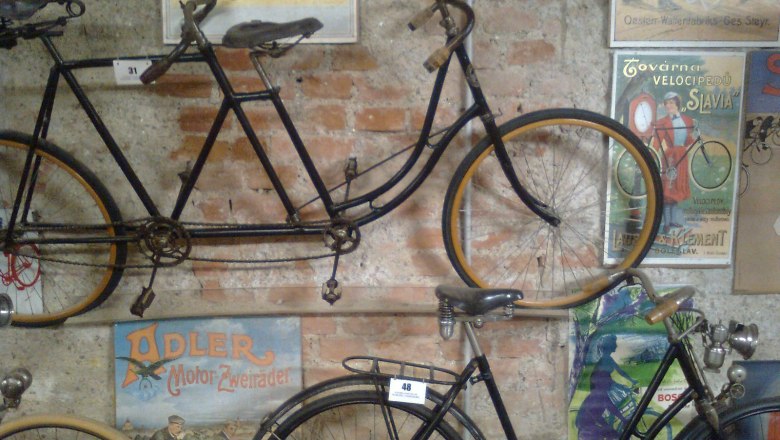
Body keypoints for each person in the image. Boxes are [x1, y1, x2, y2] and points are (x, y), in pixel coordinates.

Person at [575, 335, 638, 439]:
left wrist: (629, 382)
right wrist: (623, 419)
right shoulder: (599, 396)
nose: (616, 345)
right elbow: (610, 406)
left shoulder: (605, 362)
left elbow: (616, 375)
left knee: (612, 432)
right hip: (587, 429)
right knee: (613, 434)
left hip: (590, 423)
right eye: (614, 343)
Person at [653, 91, 693, 234]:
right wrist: (651, 154)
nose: (669, 106)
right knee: (668, 189)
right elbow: (657, 143)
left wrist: (692, 142)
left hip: (682, 157)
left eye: (671, 102)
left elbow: (688, 139)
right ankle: (666, 223)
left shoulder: (688, 120)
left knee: (677, 189)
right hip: (670, 157)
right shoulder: (663, 122)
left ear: (677, 103)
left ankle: (672, 221)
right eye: (666, 103)